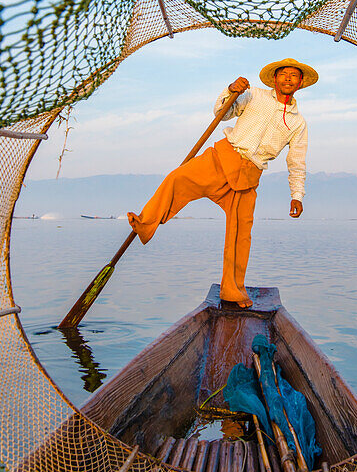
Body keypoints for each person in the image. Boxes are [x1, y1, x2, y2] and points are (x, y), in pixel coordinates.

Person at [127, 59, 318, 308]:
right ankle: (145, 224)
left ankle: (232, 290)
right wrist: (230, 90)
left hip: (249, 176)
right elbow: (223, 113)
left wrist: (297, 195)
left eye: (294, 76)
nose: (288, 79)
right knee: (177, 178)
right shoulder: (254, 96)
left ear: (300, 83)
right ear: (275, 79)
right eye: (284, 74)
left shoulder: (298, 122)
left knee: (240, 235)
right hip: (222, 158)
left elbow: (297, 161)